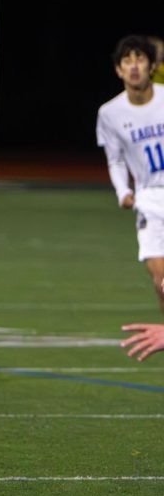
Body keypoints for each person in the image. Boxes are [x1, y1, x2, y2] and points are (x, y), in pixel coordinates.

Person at [97, 34, 164, 315]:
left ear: (152, 67)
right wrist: (123, 192)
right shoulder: (110, 113)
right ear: (119, 70)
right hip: (149, 199)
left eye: (140, 59)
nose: (134, 66)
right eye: (128, 61)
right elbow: (115, 160)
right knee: (161, 283)